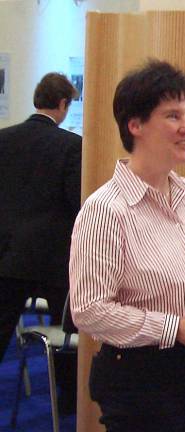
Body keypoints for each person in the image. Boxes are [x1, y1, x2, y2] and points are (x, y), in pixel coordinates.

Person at [69, 60, 185, 431]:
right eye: (173, 116)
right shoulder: (105, 210)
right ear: (135, 125)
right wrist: (175, 328)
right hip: (141, 380)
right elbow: (90, 310)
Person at [0, 72, 81, 413]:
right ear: (62, 104)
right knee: (68, 333)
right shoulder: (71, 146)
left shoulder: (3, 139)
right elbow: (77, 204)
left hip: (7, 257)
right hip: (53, 262)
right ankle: (68, 402)